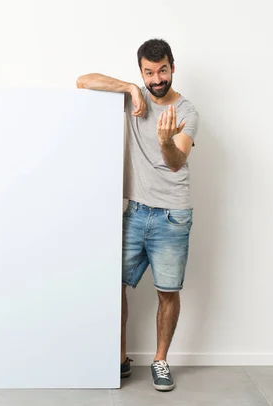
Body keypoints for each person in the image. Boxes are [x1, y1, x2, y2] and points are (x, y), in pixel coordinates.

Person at [76, 38, 199, 392]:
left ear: (173, 68)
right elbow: (83, 81)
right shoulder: (137, 95)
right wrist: (128, 87)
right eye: (148, 72)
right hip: (134, 212)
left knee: (167, 292)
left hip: (173, 215)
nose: (157, 78)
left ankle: (160, 360)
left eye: (162, 70)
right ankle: (120, 358)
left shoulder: (187, 112)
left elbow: (177, 164)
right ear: (142, 71)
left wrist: (164, 140)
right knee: (111, 284)